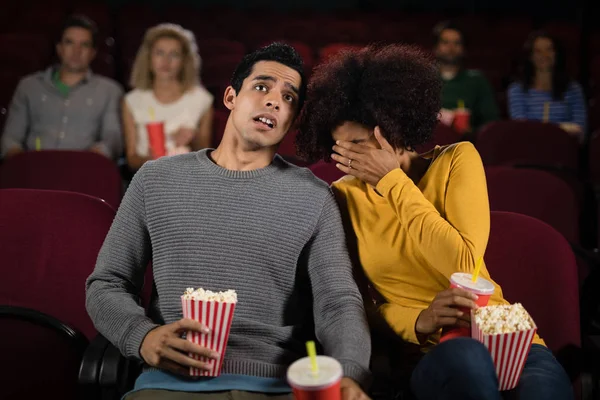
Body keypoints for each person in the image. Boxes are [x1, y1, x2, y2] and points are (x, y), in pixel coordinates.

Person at [86, 43, 371, 400]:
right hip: (169, 383)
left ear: (292, 119)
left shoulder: (314, 197)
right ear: (231, 97)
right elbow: (107, 283)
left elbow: (338, 302)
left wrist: (348, 372)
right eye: (262, 87)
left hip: (277, 387)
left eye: (288, 97)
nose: (274, 101)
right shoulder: (155, 180)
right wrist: (141, 336)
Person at [296, 44, 572, 400]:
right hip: (434, 354)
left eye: (359, 145)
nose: (348, 160)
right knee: (466, 358)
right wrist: (417, 320)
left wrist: (393, 182)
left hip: (510, 340)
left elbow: (461, 264)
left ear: (393, 130)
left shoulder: (458, 160)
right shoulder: (341, 197)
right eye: (339, 149)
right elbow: (350, 304)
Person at [1, 14, 123, 160]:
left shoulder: (109, 90)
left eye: (84, 44)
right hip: (33, 172)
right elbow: (11, 138)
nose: (76, 51)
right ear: (59, 48)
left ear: (93, 53)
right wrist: (22, 165)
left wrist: (92, 160)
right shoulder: (29, 86)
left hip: (85, 173)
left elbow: (112, 138)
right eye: (69, 42)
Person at [123, 23, 214, 170]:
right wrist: (151, 159)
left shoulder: (202, 99)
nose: (166, 61)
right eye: (159, 53)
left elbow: (208, 156)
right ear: (148, 58)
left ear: (184, 61)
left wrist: (193, 139)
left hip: (187, 176)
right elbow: (131, 159)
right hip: (148, 176)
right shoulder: (132, 100)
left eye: (174, 54)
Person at [508, 31, 587, 140]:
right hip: (530, 149)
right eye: (538, 51)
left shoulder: (573, 89)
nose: (544, 55)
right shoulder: (517, 90)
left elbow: (580, 131)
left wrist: (542, 129)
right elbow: (521, 129)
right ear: (530, 56)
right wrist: (562, 128)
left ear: (556, 53)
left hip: (564, 149)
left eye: (549, 49)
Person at [433, 21, 499, 135]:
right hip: (428, 145)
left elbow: (491, 122)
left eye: (456, 43)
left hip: (466, 145)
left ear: (463, 48)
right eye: (445, 42)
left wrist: (471, 132)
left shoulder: (477, 80)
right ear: (436, 47)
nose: (451, 48)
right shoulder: (423, 78)